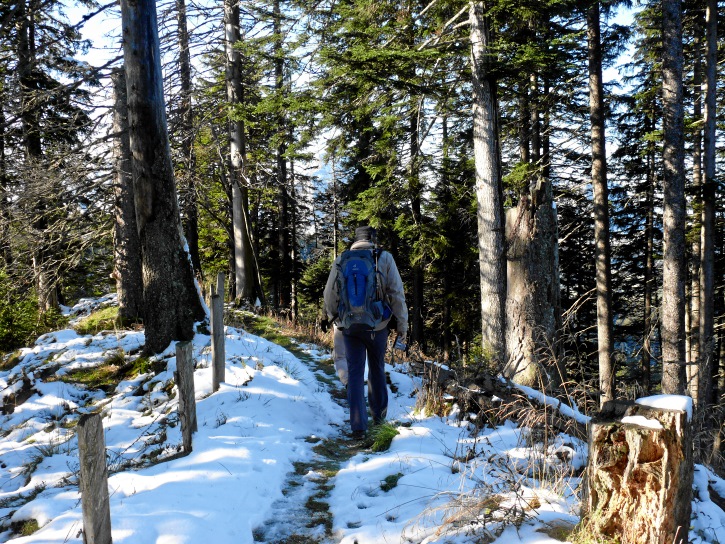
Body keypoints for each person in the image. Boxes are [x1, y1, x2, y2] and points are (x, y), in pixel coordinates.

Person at [323, 226, 408, 438]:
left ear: (355, 240)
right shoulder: (384, 258)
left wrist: (334, 317)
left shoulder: (342, 259)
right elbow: (396, 293)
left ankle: (358, 427)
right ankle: (379, 421)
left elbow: (329, 293)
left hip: (350, 327)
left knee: (354, 373)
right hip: (378, 326)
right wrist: (402, 325)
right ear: (373, 240)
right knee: (377, 369)